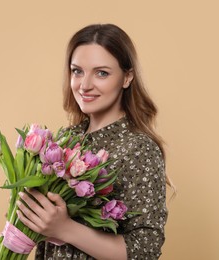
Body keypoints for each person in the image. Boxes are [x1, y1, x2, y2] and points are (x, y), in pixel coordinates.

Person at [16, 23, 174, 260]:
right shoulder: (65, 141)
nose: (85, 85)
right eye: (77, 71)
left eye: (101, 73)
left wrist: (65, 229)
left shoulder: (138, 148)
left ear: (127, 77)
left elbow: (145, 251)